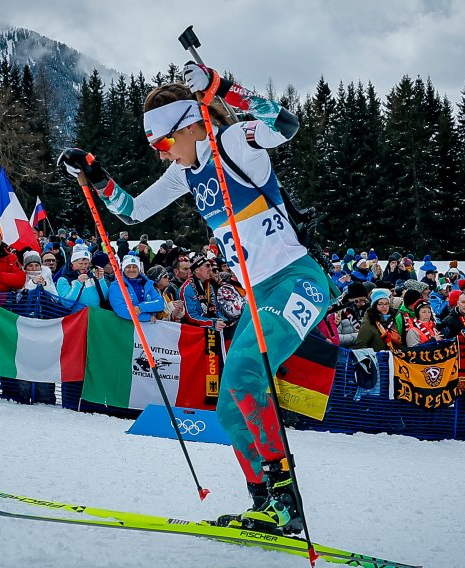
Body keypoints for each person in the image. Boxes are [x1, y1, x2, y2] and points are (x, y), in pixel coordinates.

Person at [57, 65, 333, 534]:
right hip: (259, 294)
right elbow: (131, 211)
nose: (164, 156)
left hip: (296, 282)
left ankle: (287, 501)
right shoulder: (185, 175)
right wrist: (94, 173)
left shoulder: (233, 145)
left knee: (245, 374)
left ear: (189, 125)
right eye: (156, 149)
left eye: (165, 144)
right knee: (230, 405)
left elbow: (285, 125)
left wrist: (223, 89)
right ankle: (265, 503)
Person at [109, 254, 164, 322]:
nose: (131, 269)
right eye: (128, 267)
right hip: (128, 327)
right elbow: (121, 310)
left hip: (149, 327)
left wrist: (141, 308)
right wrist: (146, 317)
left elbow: (160, 303)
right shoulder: (116, 286)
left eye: (135, 267)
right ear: (123, 269)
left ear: (139, 269)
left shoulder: (147, 283)